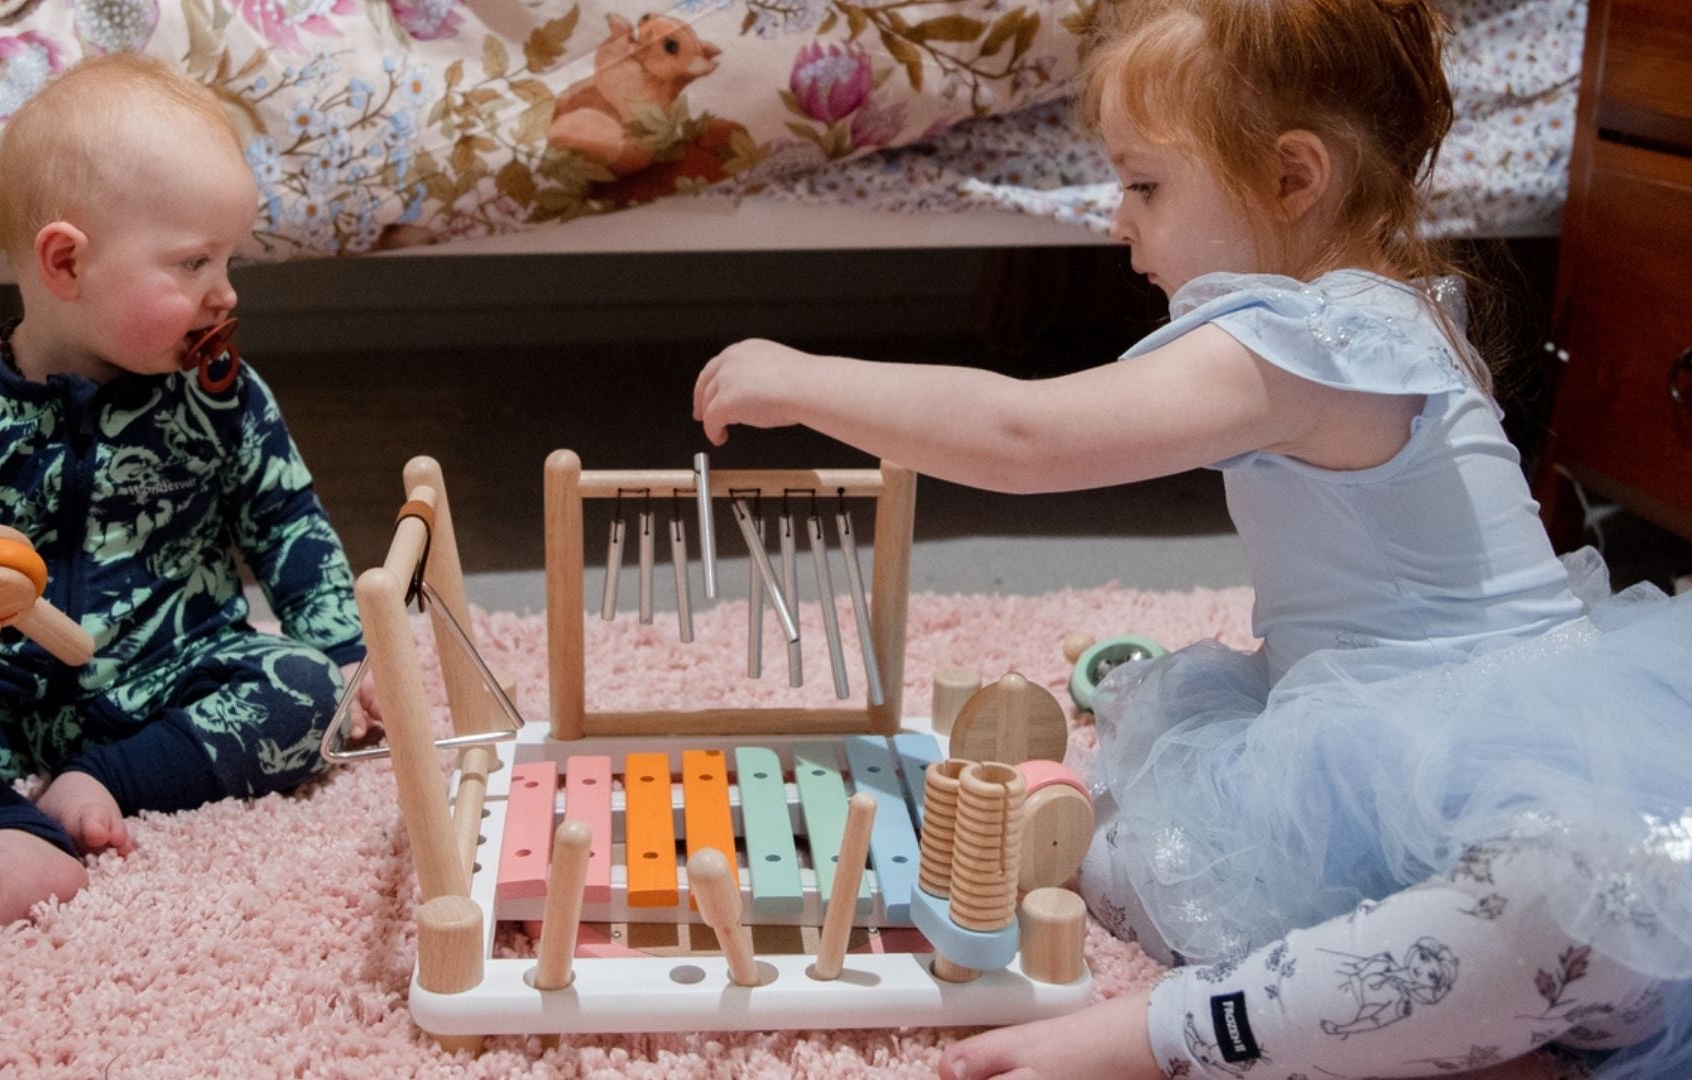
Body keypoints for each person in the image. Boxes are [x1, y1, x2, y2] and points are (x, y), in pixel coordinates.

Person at [692, 1, 1692, 1077]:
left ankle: (1167, 1033)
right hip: (1380, 756)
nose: (1119, 221)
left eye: (1146, 186)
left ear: (1294, 178)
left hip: (1514, 771)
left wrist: (805, 381)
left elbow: (1026, 437)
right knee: (1140, 848)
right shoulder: (1387, 315)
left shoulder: (1310, 341)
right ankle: (1456, 1026)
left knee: (1568, 904)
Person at [0, 53, 371, 948]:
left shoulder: (219, 394)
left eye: (227, 259)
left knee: (308, 689)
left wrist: (348, 652)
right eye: (194, 262)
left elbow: (288, 522)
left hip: (177, 676)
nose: (224, 293)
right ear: (67, 261)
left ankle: (108, 782)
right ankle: (4, 834)